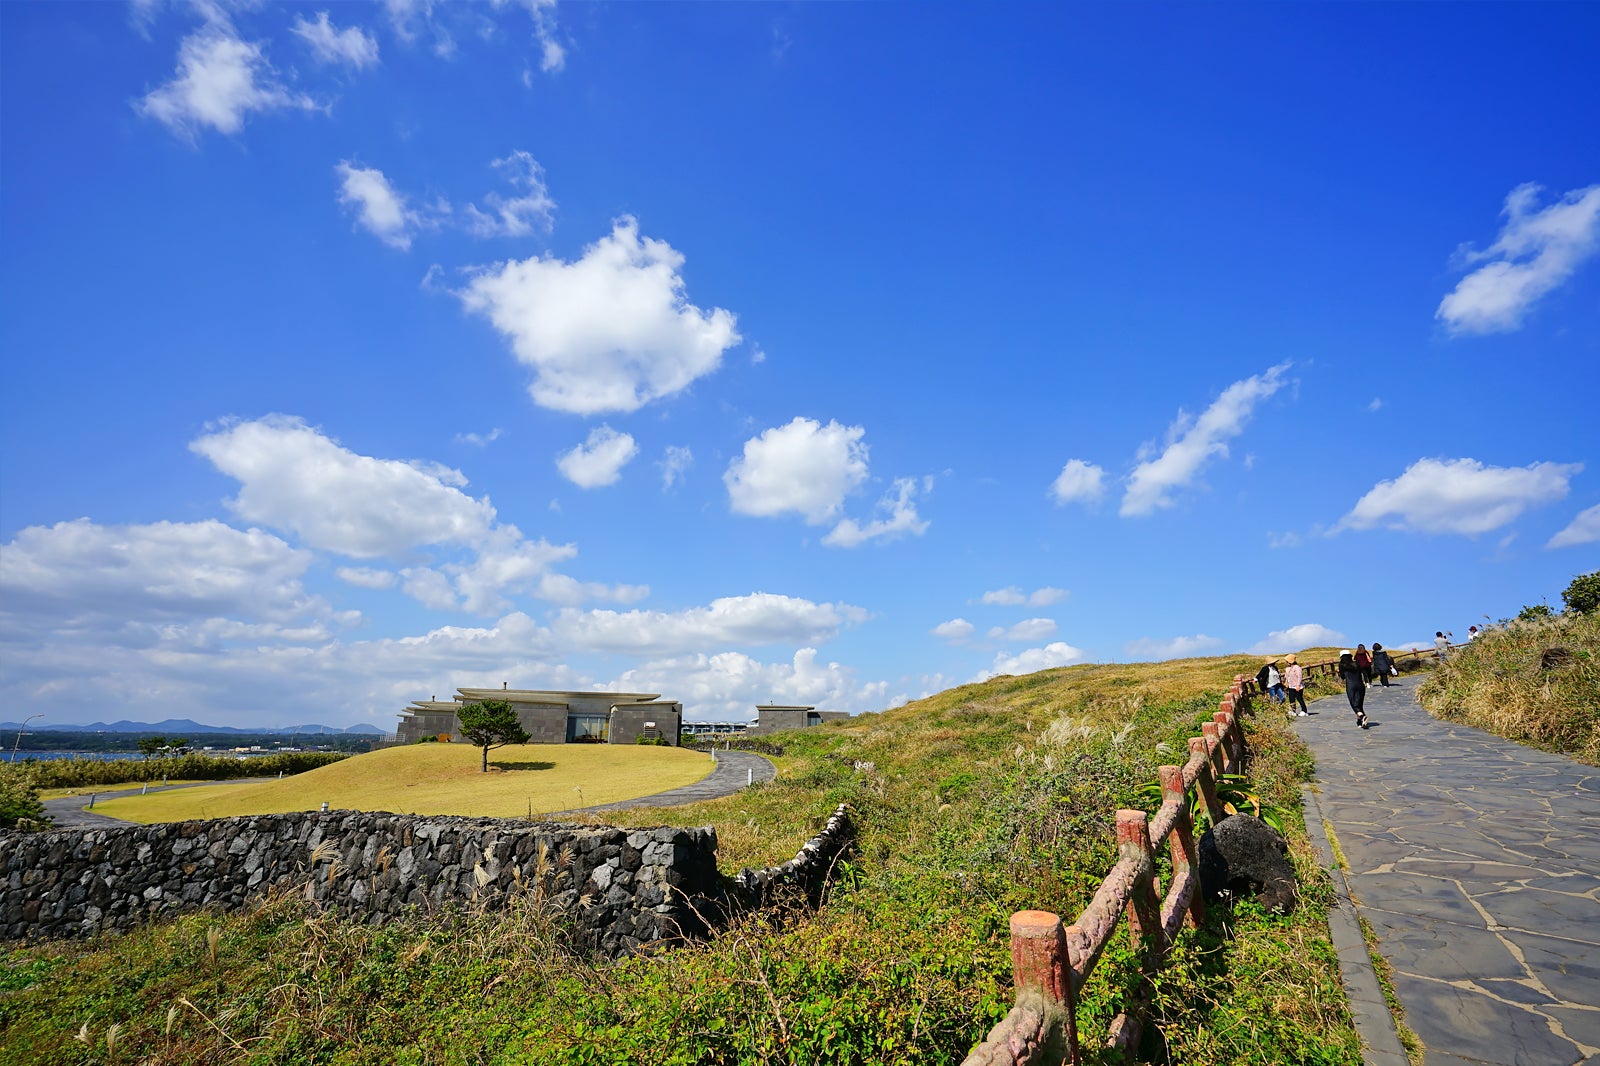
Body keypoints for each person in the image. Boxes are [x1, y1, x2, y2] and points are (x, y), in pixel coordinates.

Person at [1339, 650, 1368, 728]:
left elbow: (1342, 676)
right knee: (1359, 703)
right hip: (1360, 685)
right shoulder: (1356, 663)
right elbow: (1363, 673)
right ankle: (1360, 722)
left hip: (1351, 686)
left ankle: (1362, 717)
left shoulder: (1342, 665)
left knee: (1354, 704)